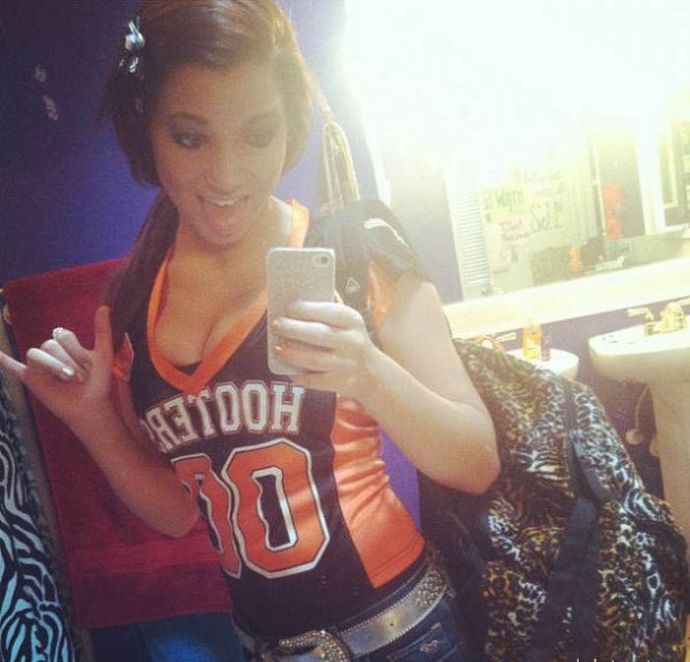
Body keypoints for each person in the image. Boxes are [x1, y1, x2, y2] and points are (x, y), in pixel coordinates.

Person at [0, 1, 500, 659]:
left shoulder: (357, 253)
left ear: (289, 126)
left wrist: (369, 373)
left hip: (406, 636)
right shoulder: (132, 305)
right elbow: (176, 511)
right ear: (146, 128)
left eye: (258, 135)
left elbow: (476, 462)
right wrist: (92, 420)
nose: (227, 174)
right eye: (190, 137)